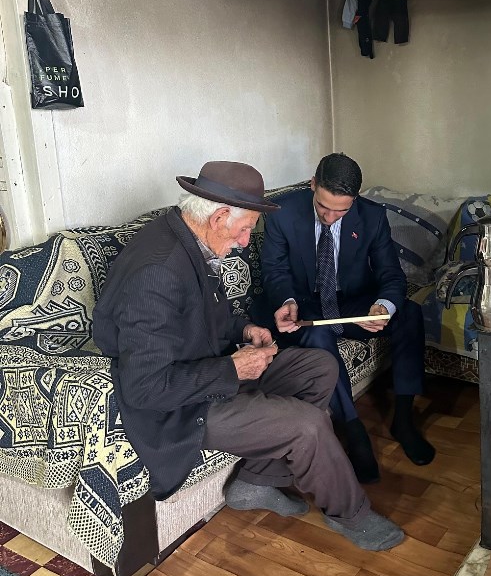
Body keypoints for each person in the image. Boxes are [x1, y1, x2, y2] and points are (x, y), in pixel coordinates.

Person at [92, 161, 404, 552]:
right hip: (184, 408)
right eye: (244, 230)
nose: (244, 243)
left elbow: (206, 315)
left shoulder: (187, 237)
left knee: (319, 367)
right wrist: (232, 368)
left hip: (210, 372)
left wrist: (244, 330)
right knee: (308, 424)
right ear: (219, 216)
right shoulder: (158, 272)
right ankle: (351, 515)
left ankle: (257, 481)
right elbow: (146, 388)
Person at [259, 153, 435, 484]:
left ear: (354, 199)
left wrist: (382, 306)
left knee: (409, 312)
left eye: (341, 211)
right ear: (313, 185)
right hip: (306, 305)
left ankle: (404, 418)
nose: (330, 217)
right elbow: (274, 270)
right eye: (323, 207)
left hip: (352, 302)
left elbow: (391, 275)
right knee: (317, 336)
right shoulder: (282, 212)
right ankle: (354, 431)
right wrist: (287, 301)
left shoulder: (372, 216)